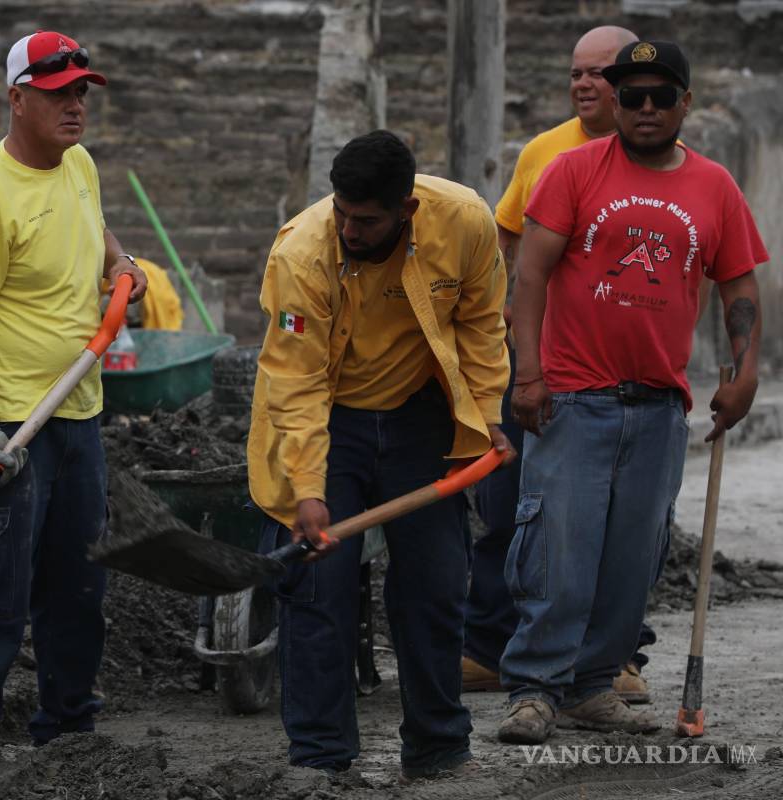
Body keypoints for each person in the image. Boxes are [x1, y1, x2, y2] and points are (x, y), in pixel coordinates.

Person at [498, 40, 766, 744]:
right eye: (632, 96)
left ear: (685, 103)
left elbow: (738, 283)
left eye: (660, 96)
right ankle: (535, 689)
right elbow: (529, 276)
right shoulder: (572, 170)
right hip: (572, 397)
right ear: (616, 103)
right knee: (558, 549)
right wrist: (528, 373)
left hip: (658, 405)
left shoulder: (715, 186)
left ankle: (592, 685)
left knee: (632, 557)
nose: (645, 108)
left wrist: (745, 372)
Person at [247, 129, 515, 781]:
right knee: (318, 588)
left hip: (420, 417)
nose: (349, 230)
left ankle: (438, 748)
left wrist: (486, 420)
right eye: (342, 213)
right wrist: (309, 489)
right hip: (327, 420)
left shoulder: (465, 222)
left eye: (366, 220)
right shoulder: (302, 254)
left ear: (407, 209)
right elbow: (296, 382)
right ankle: (320, 758)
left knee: (436, 587)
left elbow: (482, 325)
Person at [0, 30, 147, 749]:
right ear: (17, 99)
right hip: (13, 430)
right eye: (57, 94)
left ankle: (69, 735)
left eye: (81, 92)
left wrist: (122, 264)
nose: (74, 106)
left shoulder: (78, 163)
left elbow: (97, 230)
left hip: (78, 415)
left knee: (79, 590)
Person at [464, 25, 660, 703]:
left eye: (597, 73)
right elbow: (505, 239)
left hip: (617, 371)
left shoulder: (660, 163)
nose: (582, 84)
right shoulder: (544, 152)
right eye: (575, 72)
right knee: (510, 506)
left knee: (615, 520)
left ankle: (615, 657)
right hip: (534, 358)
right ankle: (491, 648)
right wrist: (500, 332)